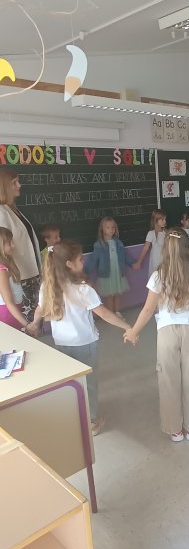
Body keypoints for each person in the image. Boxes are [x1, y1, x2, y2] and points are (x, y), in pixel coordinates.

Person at [124, 228, 189, 442]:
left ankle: (175, 429)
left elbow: (148, 309)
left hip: (166, 333)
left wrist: (134, 331)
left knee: (168, 380)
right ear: (188, 250)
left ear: (165, 250)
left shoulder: (157, 276)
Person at [28, 240, 130, 436]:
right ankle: (92, 423)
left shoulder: (47, 287)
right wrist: (128, 327)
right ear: (69, 264)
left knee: (72, 382)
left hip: (62, 344)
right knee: (88, 384)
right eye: (80, 259)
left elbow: (40, 309)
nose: (84, 262)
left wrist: (34, 323)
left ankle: (76, 415)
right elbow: (104, 314)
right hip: (85, 345)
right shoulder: (83, 289)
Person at [0, 168, 41, 321]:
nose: (19, 185)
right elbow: (2, 246)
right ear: (4, 186)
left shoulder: (13, 209)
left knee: (35, 319)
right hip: (20, 277)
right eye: (14, 182)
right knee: (27, 323)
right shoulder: (1, 213)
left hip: (31, 274)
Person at [86, 217, 134, 316]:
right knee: (109, 296)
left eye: (113, 227)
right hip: (107, 274)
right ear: (102, 229)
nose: (111, 230)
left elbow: (125, 256)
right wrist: (85, 272)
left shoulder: (118, 243)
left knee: (117, 294)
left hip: (117, 273)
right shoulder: (99, 245)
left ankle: (117, 313)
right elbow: (93, 260)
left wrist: (132, 263)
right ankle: (111, 315)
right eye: (108, 228)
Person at [0, 227, 29, 330]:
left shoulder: (7, 264)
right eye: (9, 242)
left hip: (13, 311)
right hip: (7, 313)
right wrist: (27, 325)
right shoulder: (1, 271)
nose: (13, 245)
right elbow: (9, 302)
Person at [133, 209, 167, 275]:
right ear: (156, 220)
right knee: (156, 277)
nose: (165, 221)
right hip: (156, 261)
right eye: (162, 220)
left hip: (165, 260)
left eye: (165, 219)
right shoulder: (151, 233)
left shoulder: (166, 232)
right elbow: (145, 248)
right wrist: (139, 262)